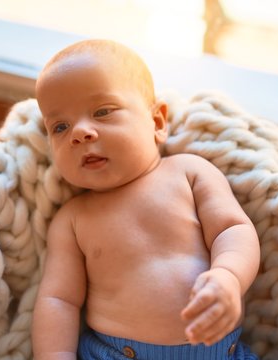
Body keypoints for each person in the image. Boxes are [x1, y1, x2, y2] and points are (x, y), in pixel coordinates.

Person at [32, 39, 260, 360]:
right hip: (115, 353)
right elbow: (59, 299)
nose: (80, 132)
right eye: (60, 126)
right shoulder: (72, 219)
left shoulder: (188, 173)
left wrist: (229, 276)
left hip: (219, 351)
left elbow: (233, 229)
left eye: (102, 111)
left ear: (156, 122)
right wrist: (55, 354)